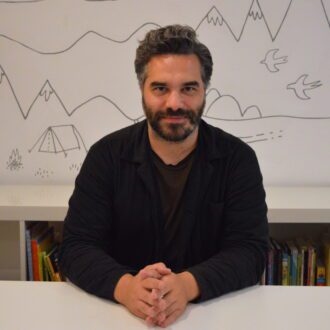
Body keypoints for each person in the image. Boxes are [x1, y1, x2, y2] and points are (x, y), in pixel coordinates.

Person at [59, 24, 268, 328]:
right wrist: (126, 287)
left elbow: (250, 251)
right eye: (160, 88)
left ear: (204, 90)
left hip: (211, 316)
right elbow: (76, 247)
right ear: (142, 90)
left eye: (188, 88)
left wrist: (187, 284)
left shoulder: (238, 160)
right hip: (120, 318)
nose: (174, 103)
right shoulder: (105, 156)